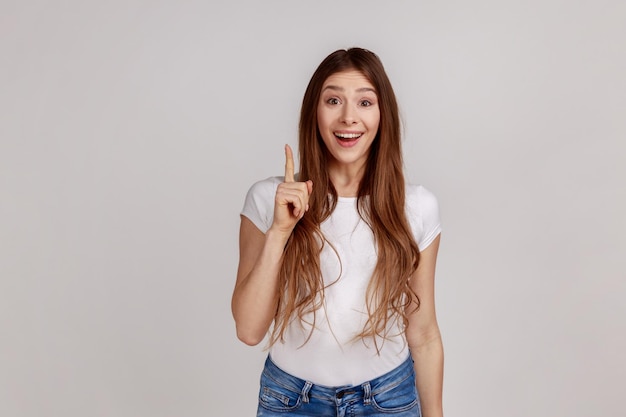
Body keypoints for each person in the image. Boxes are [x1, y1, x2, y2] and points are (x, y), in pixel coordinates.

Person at [232, 47, 443, 417]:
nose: (349, 118)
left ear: (383, 116)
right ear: (314, 111)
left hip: (388, 400)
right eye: (333, 100)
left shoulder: (417, 207)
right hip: (291, 401)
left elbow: (423, 334)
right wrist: (281, 231)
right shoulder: (269, 199)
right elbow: (249, 330)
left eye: (365, 102)